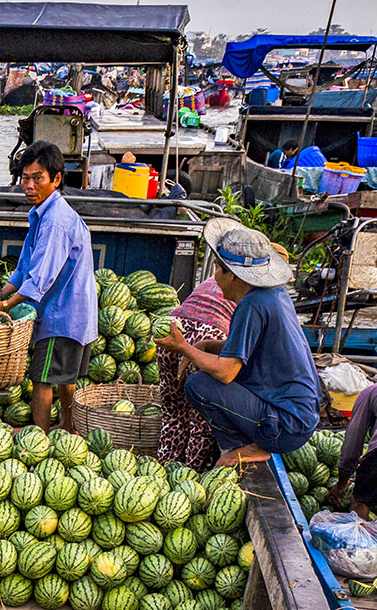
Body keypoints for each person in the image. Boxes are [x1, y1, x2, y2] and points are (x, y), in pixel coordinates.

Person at [155, 219, 321, 466]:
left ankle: (245, 446)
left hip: (285, 426)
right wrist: (207, 346)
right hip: (298, 417)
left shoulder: (252, 306)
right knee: (204, 377)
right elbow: (247, 350)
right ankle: (250, 442)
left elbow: (225, 372)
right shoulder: (273, 295)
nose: (214, 276)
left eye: (218, 269)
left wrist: (184, 348)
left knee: (199, 384)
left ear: (231, 275)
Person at [0, 140, 98, 436]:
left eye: (37, 178)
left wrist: (6, 307)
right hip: (71, 312)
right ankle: (68, 426)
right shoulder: (41, 214)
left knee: (42, 378)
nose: (29, 185)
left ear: (56, 179)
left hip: (61, 314)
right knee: (66, 376)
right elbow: (24, 268)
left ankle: (39, 439)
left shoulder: (55, 221)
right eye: (25, 178)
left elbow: (40, 279)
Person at [156, 275, 235, 470]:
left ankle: (164, 472)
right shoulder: (253, 288)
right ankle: (192, 476)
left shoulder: (218, 275)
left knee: (172, 411)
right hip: (210, 335)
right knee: (201, 419)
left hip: (173, 328)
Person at [328, 382, 377, 520]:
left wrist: (341, 483)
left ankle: (357, 538)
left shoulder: (369, 392)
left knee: (361, 502)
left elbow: (353, 444)